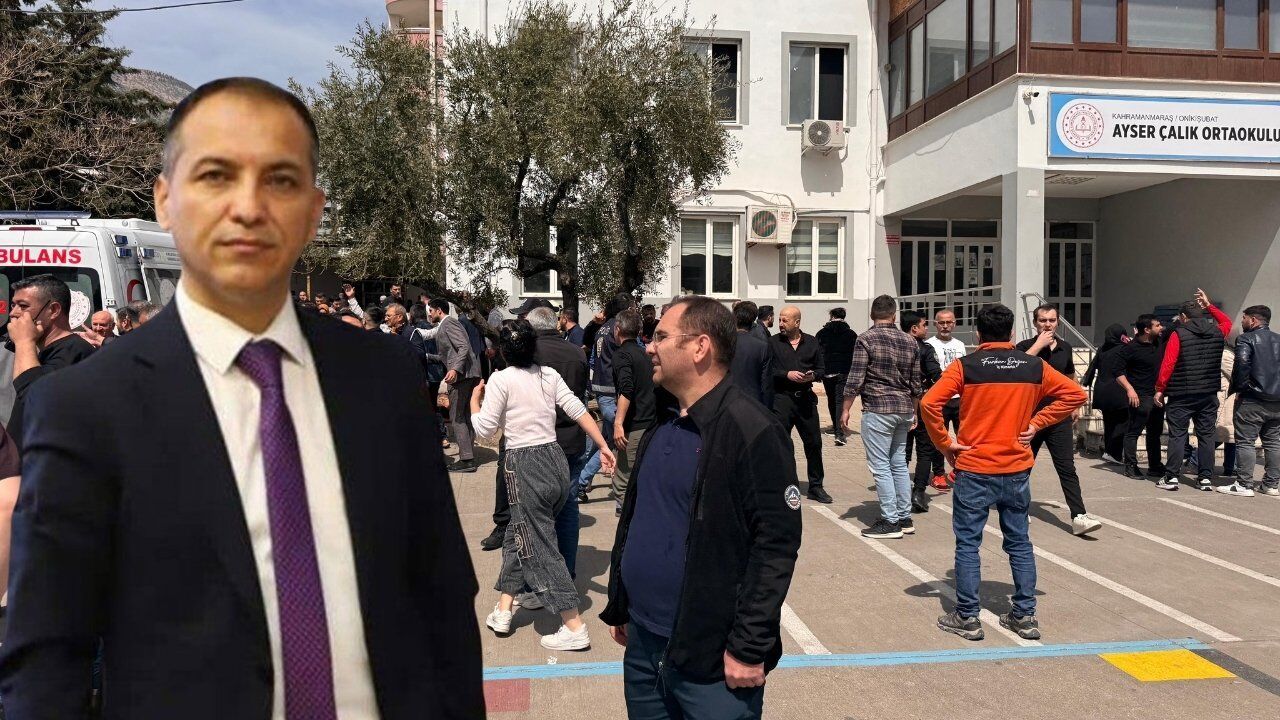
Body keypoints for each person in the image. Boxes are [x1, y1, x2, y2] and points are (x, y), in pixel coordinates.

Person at [0, 77, 483, 718]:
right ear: (165, 200)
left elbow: (441, 596)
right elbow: (46, 664)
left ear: (313, 210)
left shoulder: (385, 376)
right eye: (216, 176)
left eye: (280, 180)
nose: (249, 206)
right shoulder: (84, 407)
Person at [600, 296, 801, 720]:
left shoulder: (753, 429)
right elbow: (639, 518)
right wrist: (623, 600)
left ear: (699, 347)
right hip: (644, 643)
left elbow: (776, 546)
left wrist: (748, 647)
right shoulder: (663, 422)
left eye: (660, 336)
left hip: (713, 661)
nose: (649, 347)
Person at [922, 303, 1087, 642]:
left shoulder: (965, 365)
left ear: (978, 333)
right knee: (1019, 542)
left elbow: (929, 403)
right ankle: (1024, 615)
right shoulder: (1033, 365)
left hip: (974, 467)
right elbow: (1075, 394)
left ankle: (968, 616)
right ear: (1012, 333)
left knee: (968, 544)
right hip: (1015, 468)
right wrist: (1038, 422)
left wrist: (945, 444)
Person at [471, 320, 616, 651]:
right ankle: (505, 608)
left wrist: (473, 403)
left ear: (503, 351)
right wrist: (602, 445)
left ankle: (573, 625)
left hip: (524, 465)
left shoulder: (501, 379)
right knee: (517, 533)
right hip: (555, 459)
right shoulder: (547, 375)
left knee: (539, 545)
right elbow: (577, 409)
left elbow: (485, 429)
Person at [841, 295, 922, 538]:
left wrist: (845, 408)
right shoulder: (910, 340)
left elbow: (856, 377)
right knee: (898, 464)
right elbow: (916, 382)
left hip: (878, 408)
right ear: (894, 316)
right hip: (904, 408)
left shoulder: (866, 339)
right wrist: (914, 411)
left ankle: (890, 521)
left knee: (881, 466)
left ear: (872, 315)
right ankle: (904, 517)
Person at [1016, 305, 1100, 536]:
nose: (1047, 325)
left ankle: (1078, 516)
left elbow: (1070, 377)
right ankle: (1018, 509)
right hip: (1030, 418)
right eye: (1043, 320)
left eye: (1052, 320)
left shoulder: (1065, 347)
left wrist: (1074, 406)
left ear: (1057, 322)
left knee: (1067, 467)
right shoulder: (1024, 347)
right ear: (1035, 323)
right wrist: (1038, 345)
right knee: (1023, 466)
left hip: (1058, 417)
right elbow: (1017, 368)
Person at [1155, 288, 1232, 491]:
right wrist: (1209, 305)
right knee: (1206, 435)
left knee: (1178, 435)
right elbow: (1227, 322)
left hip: (1181, 393)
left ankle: (1171, 477)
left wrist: (1160, 389)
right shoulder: (1217, 332)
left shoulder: (1178, 334)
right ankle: (1205, 478)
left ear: (1183, 316)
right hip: (1208, 393)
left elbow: (1168, 364)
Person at [7, 274, 96, 448]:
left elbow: (35, 396)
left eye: (23, 306)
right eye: (13, 305)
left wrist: (24, 341)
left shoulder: (74, 351)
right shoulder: (47, 351)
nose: (13, 313)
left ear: (54, 310)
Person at [1219, 304, 1280, 497]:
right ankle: (1271, 484)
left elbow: (1242, 364)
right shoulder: (1278, 339)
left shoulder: (1246, 339)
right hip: (1276, 401)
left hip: (1252, 398)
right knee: (1273, 442)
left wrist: (1240, 389)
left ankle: (1244, 484)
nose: (1242, 321)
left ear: (1253, 320)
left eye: (1244, 318)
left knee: (1245, 441)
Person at [771, 306, 830, 503]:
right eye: (780, 319)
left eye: (785, 320)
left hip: (805, 399)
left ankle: (816, 486)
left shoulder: (812, 342)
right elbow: (768, 370)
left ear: (797, 322)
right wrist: (786, 374)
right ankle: (782, 484)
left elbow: (821, 368)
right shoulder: (772, 343)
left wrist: (813, 375)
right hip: (782, 399)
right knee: (781, 444)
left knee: (814, 443)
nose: (780, 324)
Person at [611, 308, 657, 517]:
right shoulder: (645, 353)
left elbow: (626, 389)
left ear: (617, 329)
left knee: (623, 480)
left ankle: (630, 521)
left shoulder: (622, 355)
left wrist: (618, 423)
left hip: (634, 425)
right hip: (651, 422)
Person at [429, 298, 482, 473]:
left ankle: (467, 459)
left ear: (439, 310)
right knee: (464, 415)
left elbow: (463, 346)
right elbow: (449, 354)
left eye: (431, 311)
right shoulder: (446, 324)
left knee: (457, 417)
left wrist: (454, 369)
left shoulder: (448, 323)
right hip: (465, 374)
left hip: (462, 376)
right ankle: (468, 455)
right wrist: (427, 357)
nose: (429, 314)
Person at [1116, 314, 1167, 479]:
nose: (1161, 327)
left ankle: (1155, 466)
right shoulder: (1130, 348)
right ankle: (1130, 466)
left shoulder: (1159, 342)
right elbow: (1118, 372)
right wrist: (1130, 390)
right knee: (1134, 432)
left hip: (1157, 396)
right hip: (1139, 396)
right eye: (1157, 325)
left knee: (1155, 432)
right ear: (1147, 329)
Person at [901, 311, 942, 513]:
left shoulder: (896, 346)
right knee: (925, 451)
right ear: (914, 328)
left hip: (899, 405)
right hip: (922, 404)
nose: (927, 328)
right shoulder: (925, 349)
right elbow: (937, 376)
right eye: (924, 325)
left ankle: (900, 491)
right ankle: (918, 492)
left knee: (901, 450)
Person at [925, 309, 966, 490]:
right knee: (939, 438)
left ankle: (960, 470)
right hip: (939, 399)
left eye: (949, 322)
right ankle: (939, 474)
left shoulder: (960, 345)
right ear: (936, 324)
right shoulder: (929, 344)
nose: (945, 326)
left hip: (959, 399)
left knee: (963, 437)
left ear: (954, 324)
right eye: (941, 322)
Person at [1082, 323, 1130, 465]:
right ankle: (1115, 454)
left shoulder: (1102, 349)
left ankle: (1109, 452)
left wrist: (1087, 382)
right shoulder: (1124, 349)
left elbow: (1093, 366)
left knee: (1109, 423)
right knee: (1122, 423)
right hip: (1118, 391)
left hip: (1102, 391)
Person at [815, 307, 858, 446]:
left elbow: (818, 353)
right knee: (840, 400)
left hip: (827, 371)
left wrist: (818, 371)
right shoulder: (851, 334)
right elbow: (855, 354)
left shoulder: (821, 333)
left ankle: (836, 427)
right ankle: (839, 433)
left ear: (832, 316)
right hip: (844, 371)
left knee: (831, 399)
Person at [729, 301, 773, 408]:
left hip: (727, 403)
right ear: (753, 320)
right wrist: (767, 409)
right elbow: (766, 383)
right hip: (753, 404)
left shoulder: (722, 344)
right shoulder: (762, 347)